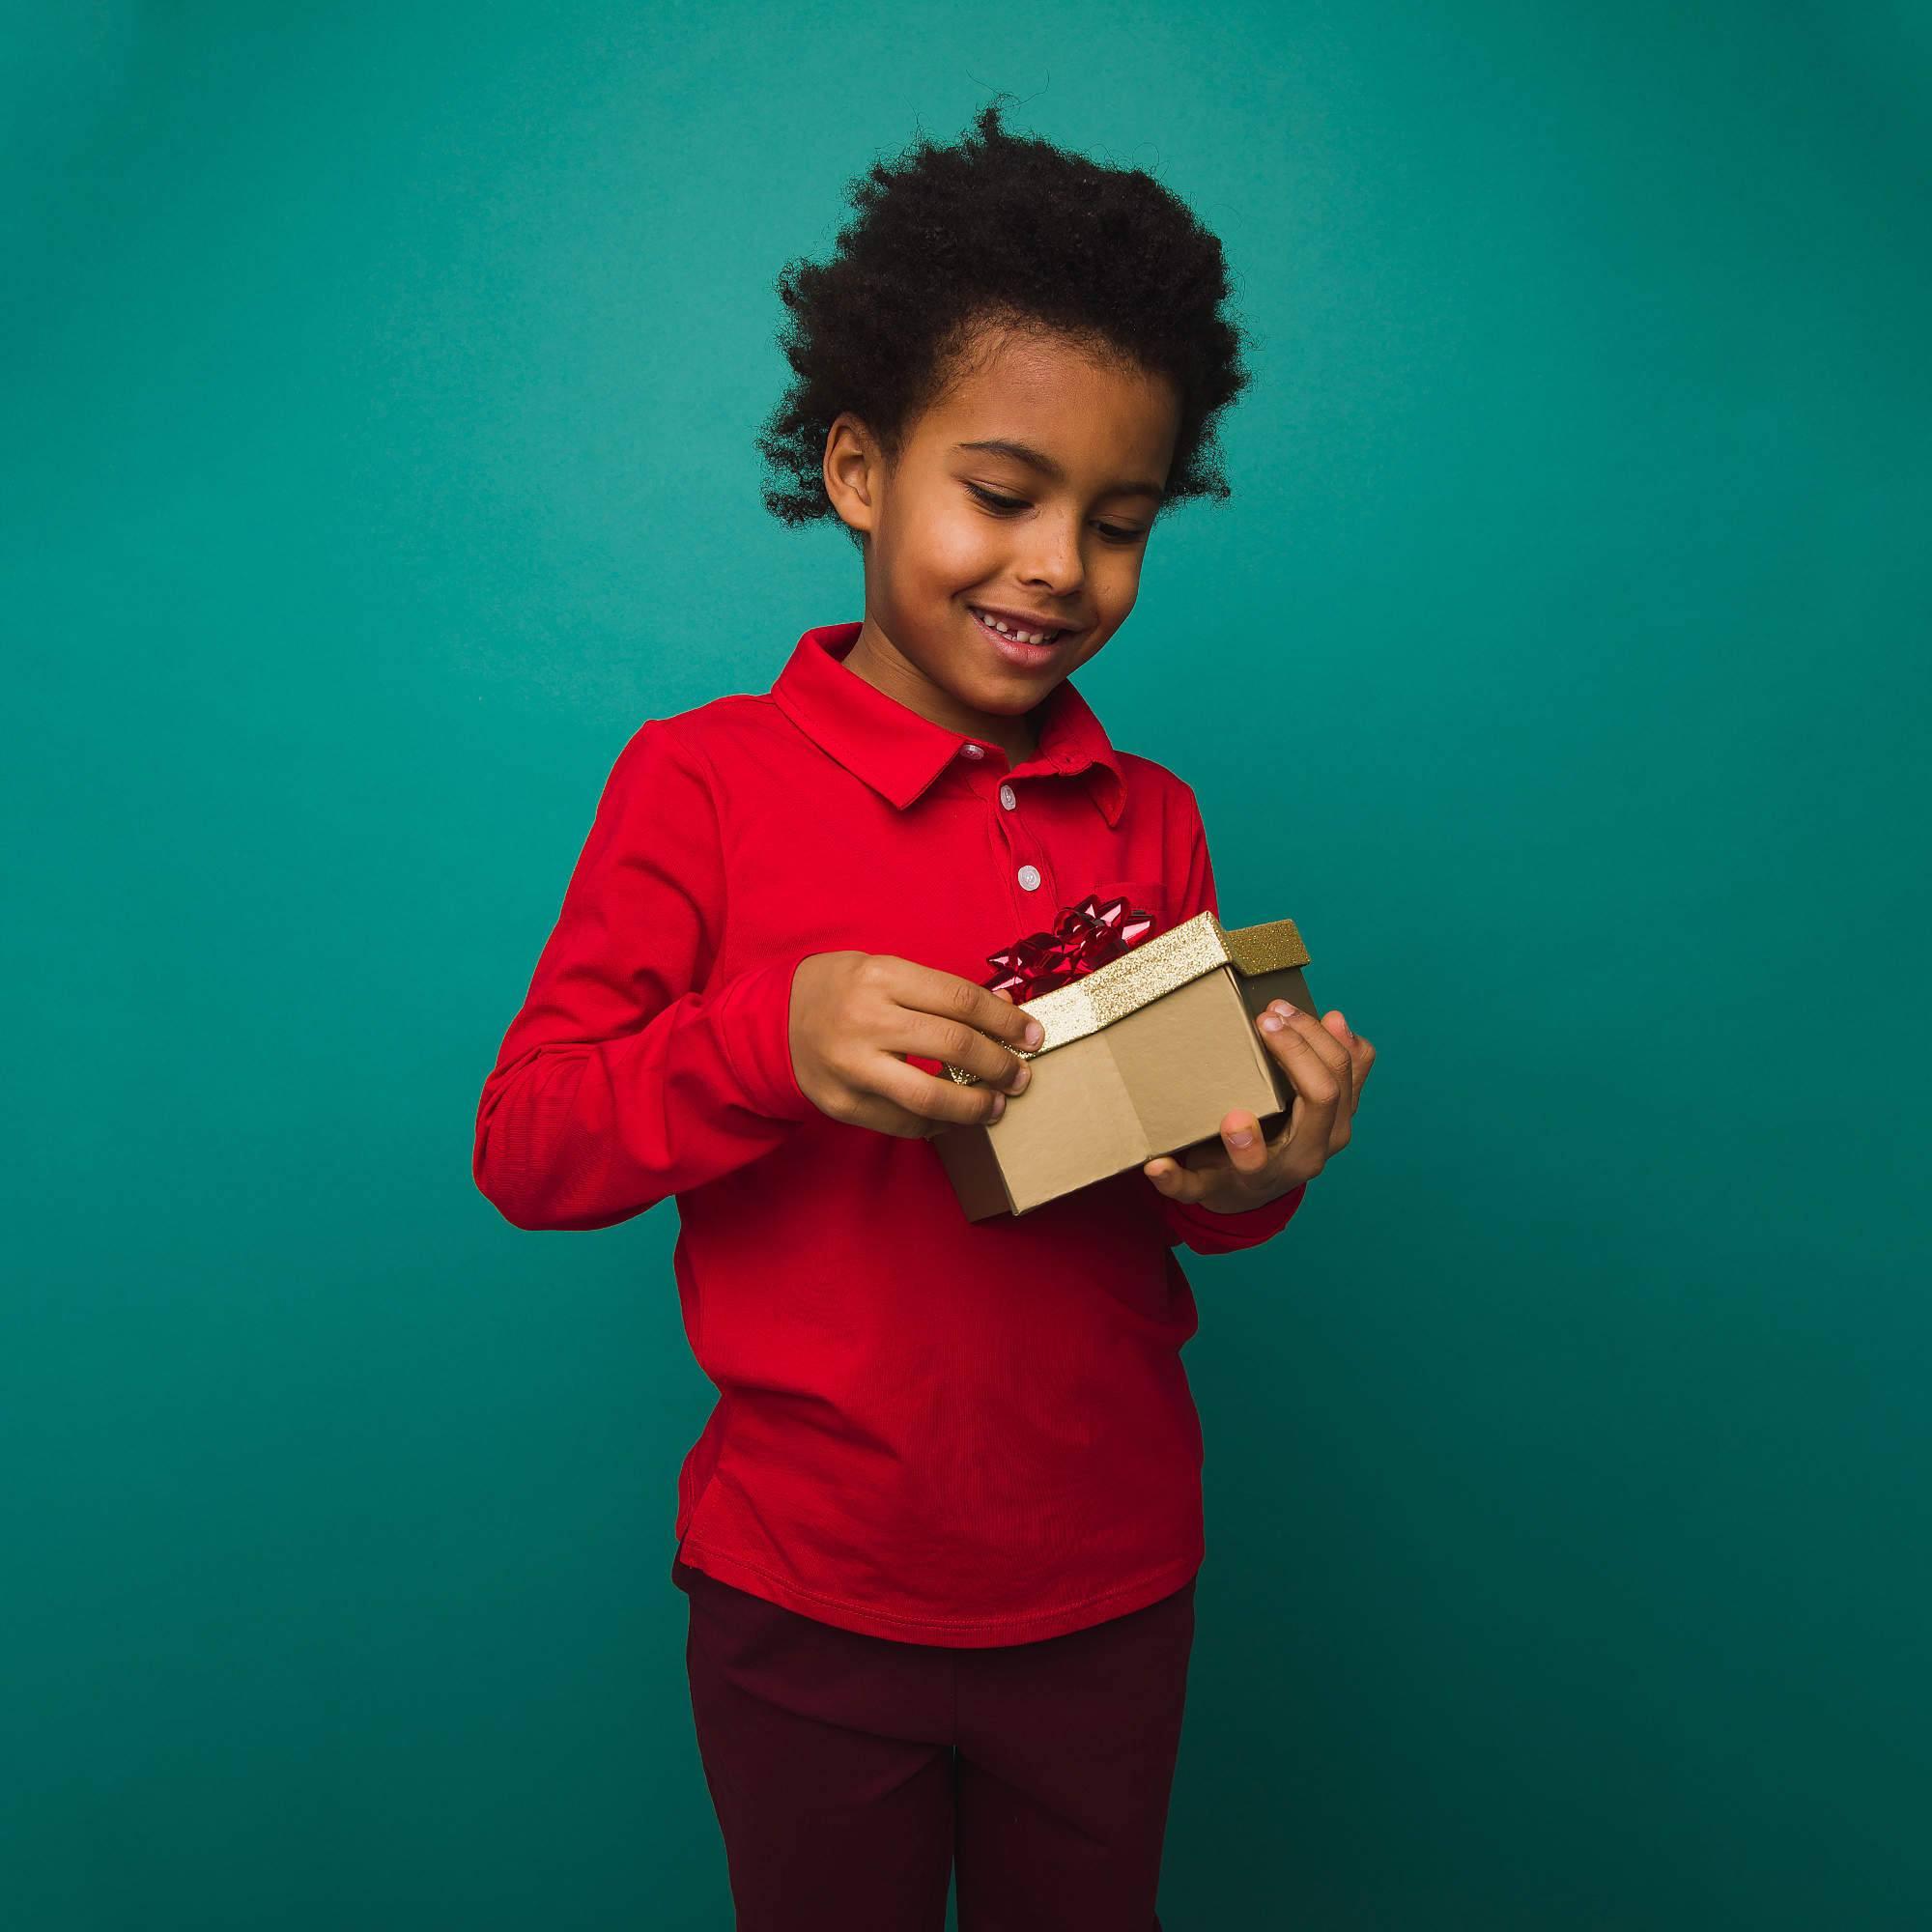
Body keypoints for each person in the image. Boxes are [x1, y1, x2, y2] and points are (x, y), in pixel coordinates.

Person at [473, 98, 1374, 1932]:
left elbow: (1195, 1178)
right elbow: (533, 1141)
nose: (1059, 566)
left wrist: (1254, 1163)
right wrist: (764, 1041)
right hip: (805, 1592)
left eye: (1117, 525)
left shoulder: (1156, 816)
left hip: (1113, 1580)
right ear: (862, 470)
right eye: (1006, 493)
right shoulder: (701, 786)